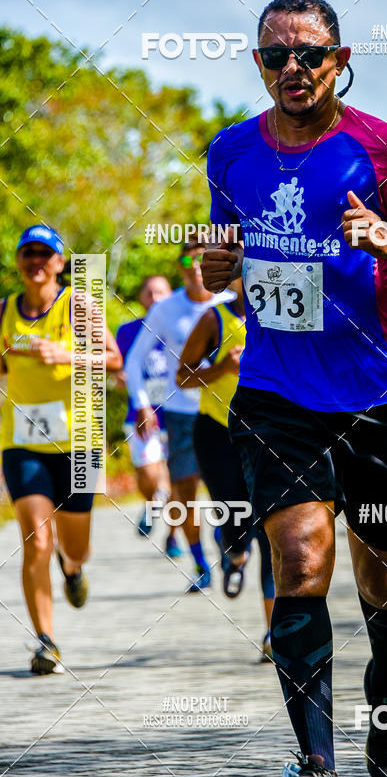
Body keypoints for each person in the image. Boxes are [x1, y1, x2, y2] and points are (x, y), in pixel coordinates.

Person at [201, 0, 387, 777]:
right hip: (276, 393)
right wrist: (217, 272)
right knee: (299, 562)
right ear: (258, 64)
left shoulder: (382, 150)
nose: (292, 69)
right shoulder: (231, 152)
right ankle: (317, 768)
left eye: (308, 53)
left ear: (340, 61)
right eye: (275, 55)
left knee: (379, 574)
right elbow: (229, 259)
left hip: (380, 396)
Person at [0, 225, 122, 674]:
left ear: (57, 262)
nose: (35, 261)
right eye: (27, 253)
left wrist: (66, 355)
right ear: (18, 261)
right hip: (21, 444)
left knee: (75, 546)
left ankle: (71, 569)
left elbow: (114, 360)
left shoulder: (77, 305)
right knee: (36, 539)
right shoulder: (4, 312)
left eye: (44, 254)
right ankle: (45, 641)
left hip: (80, 443)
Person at [124, 241, 234, 591]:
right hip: (182, 413)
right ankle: (200, 563)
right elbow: (133, 360)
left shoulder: (231, 303)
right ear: (180, 265)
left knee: (229, 491)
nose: (197, 264)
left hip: (230, 412)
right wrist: (142, 403)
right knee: (183, 495)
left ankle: (231, 542)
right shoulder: (165, 309)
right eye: (189, 258)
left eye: (204, 256)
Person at [176, 278, 275, 661]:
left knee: (272, 534)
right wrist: (221, 368)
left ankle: (273, 634)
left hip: (271, 433)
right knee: (236, 519)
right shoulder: (213, 318)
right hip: (218, 432)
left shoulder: (285, 311)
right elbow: (181, 375)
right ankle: (234, 555)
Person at [115, 275, 182, 557]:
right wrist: (122, 377)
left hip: (177, 413)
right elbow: (118, 366)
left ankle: (174, 535)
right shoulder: (128, 332)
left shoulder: (183, 328)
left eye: (161, 292)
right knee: (147, 474)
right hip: (142, 415)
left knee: (176, 477)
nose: (155, 298)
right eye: (149, 292)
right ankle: (151, 503)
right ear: (141, 297)